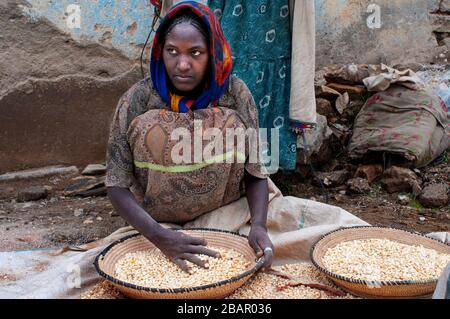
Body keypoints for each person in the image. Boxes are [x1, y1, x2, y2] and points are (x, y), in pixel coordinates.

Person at [105, 1, 274, 274]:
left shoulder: (235, 94)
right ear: (161, 52)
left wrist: (259, 225)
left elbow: (256, 171)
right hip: (155, 221)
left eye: (195, 52)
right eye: (172, 52)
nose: (182, 64)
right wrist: (159, 236)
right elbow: (116, 184)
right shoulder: (138, 99)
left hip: (225, 210)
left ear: (213, 54)